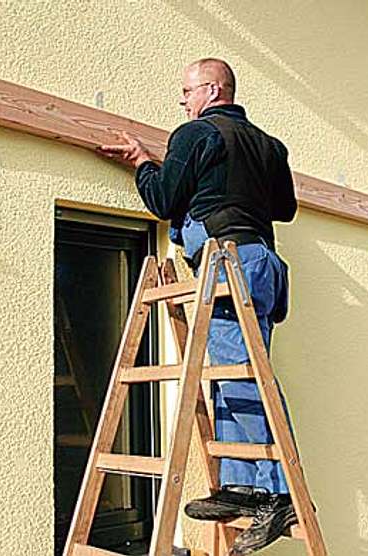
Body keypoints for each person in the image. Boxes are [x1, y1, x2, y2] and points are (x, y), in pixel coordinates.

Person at [98, 58, 298, 555]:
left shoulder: (194, 134)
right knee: (232, 372)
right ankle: (242, 485)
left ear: (211, 90)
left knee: (242, 376)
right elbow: (285, 209)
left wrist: (144, 162)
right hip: (260, 262)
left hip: (229, 262)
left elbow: (164, 201)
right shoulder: (269, 146)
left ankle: (280, 494)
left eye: (186, 92)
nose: (182, 101)